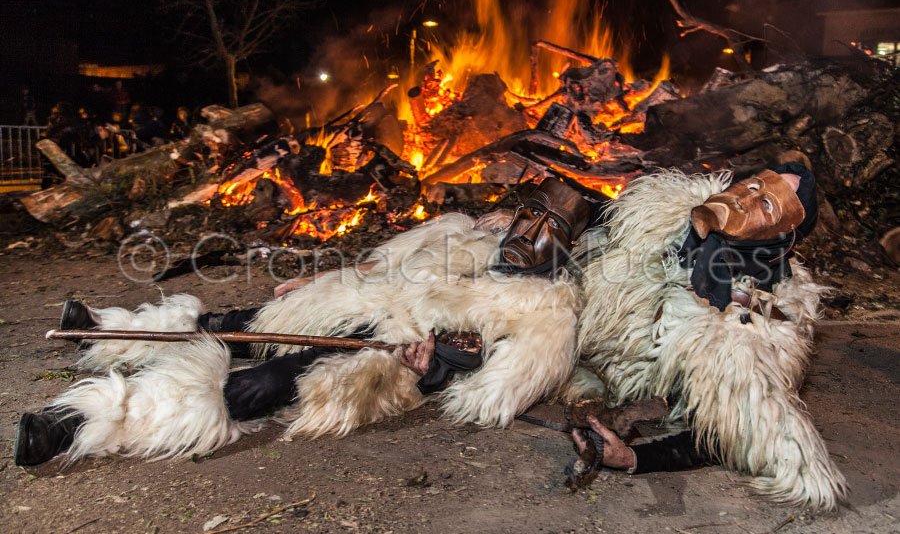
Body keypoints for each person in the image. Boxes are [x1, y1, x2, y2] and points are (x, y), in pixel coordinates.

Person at [15, 178, 592, 466]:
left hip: (387, 351)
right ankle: (108, 332)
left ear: (562, 244)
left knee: (265, 383)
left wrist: (431, 373)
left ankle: (85, 422)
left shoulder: (548, 314)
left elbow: (495, 394)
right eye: (526, 215)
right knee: (237, 322)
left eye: (545, 227)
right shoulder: (464, 236)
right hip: (360, 301)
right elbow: (380, 266)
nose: (525, 231)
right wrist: (319, 281)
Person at [568, 163, 847, 510]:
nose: (747, 198)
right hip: (570, 304)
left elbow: (734, 432)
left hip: (593, 362)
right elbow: (604, 220)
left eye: (767, 204)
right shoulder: (666, 214)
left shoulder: (754, 331)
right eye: (753, 185)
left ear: (782, 236)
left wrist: (634, 458)